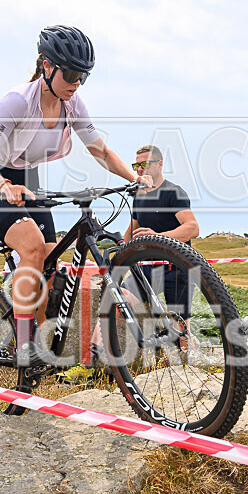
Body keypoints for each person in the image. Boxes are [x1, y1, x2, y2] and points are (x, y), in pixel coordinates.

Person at [0, 26, 152, 366]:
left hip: (28, 181)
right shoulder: (17, 102)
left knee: (52, 264)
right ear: (47, 66)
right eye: (70, 73)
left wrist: (134, 179)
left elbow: (101, 151)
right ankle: (24, 349)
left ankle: (38, 340)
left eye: (83, 76)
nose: (76, 82)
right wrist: (4, 186)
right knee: (33, 247)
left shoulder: (73, 103)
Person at [90, 144, 199, 355]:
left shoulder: (173, 192)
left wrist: (156, 238)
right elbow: (131, 232)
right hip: (147, 270)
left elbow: (192, 228)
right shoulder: (139, 194)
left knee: (180, 327)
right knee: (115, 297)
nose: (140, 169)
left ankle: (191, 366)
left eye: (145, 164)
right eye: (136, 165)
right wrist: (112, 269)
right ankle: (92, 356)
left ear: (159, 164)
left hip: (176, 268)